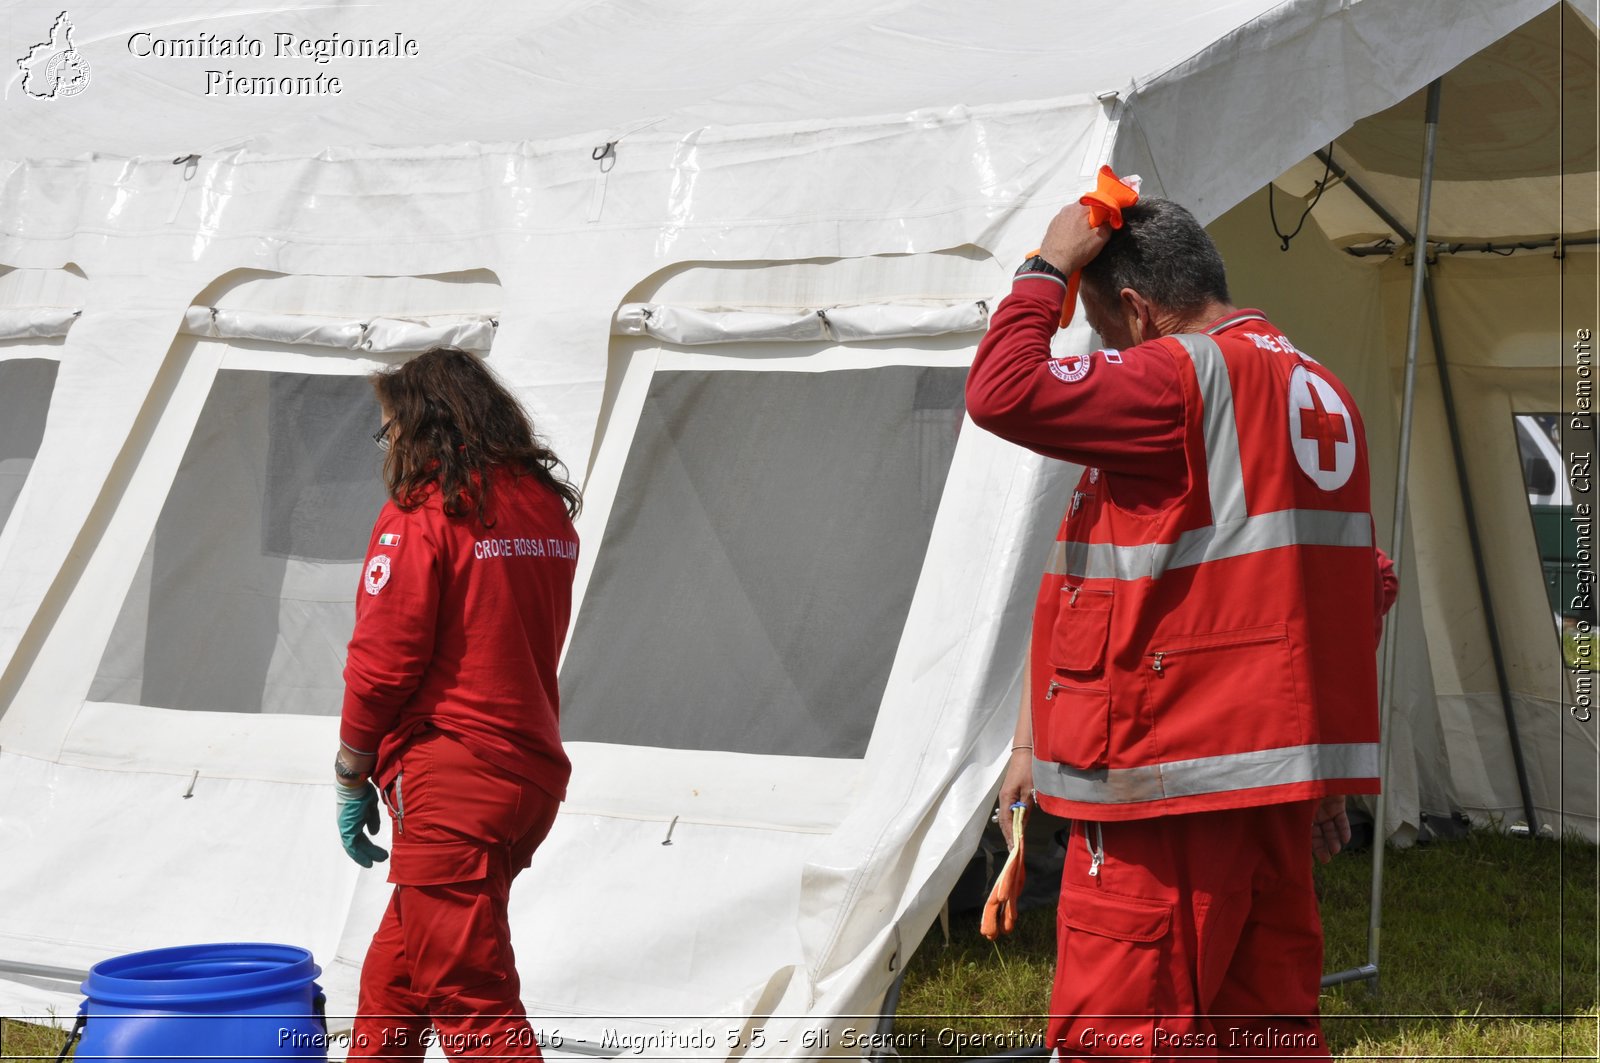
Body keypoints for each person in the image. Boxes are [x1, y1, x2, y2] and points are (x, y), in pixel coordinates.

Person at [965, 198, 1396, 1057]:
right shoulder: (1322, 389)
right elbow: (1336, 591)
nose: (1112, 356)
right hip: (1267, 786)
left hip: (1168, 789)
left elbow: (1001, 389)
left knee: (1124, 1032)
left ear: (1136, 309)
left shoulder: (1177, 378)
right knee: (1262, 1032)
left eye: (1105, 332)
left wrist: (1048, 266)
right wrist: (1321, 778)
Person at [332, 346, 582, 1060]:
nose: (390, 447)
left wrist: (351, 769)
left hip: (453, 781)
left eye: (390, 430)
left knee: (474, 1006)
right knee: (395, 989)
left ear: (422, 426)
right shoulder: (542, 508)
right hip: (522, 774)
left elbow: (382, 663)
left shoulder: (422, 513)